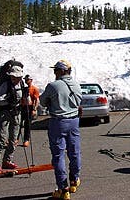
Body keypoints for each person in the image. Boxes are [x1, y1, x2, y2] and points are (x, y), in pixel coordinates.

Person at [40, 60, 82, 199]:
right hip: (74, 121)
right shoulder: (76, 84)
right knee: (74, 151)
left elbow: (43, 101)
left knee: (58, 156)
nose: (54, 72)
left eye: (56, 70)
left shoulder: (53, 86)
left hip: (58, 122)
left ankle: (63, 189)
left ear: (62, 71)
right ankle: (74, 180)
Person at [0, 66, 25, 172]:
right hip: (5, 113)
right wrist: (9, 100)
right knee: (2, 138)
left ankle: (7, 160)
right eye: (14, 76)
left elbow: (24, 98)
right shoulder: (5, 85)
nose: (16, 79)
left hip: (16, 113)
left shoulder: (22, 84)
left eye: (17, 77)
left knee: (14, 139)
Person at [20, 74, 40, 147]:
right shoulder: (23, 89)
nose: (26, 81)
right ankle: (16, 139)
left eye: (27, 80)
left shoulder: (34, 89)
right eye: (25, 80)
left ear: (31, 80)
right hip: (22, 107)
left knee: (27, 124)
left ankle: (26, 139)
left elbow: (36, 100)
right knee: (19, 123)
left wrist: (34, 109)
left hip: (30, 107)